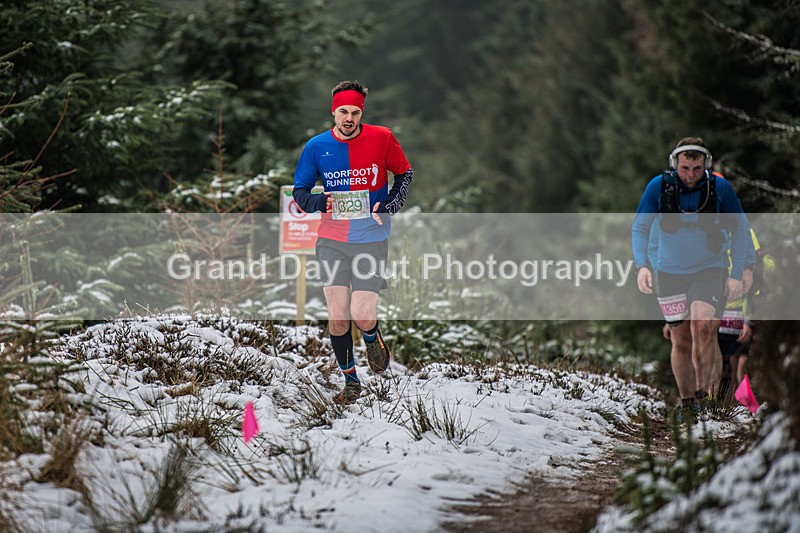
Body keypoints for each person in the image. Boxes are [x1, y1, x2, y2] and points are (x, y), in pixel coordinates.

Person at [292, 80, 414, 405]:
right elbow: (300, 191)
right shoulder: (316, 147)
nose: (349, 118)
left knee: (361, 314)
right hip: (331, 239)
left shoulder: (382, 138)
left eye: (355, 112)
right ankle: (351, 384)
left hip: (371, 237)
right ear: (334, 112)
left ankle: (372, 337)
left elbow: (404, 174)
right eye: (343, 111)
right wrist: (321, 202)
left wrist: (389, 204)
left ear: (362, 113)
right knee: (337, 316)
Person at [632, 137, 750, 419]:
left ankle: (706, 397)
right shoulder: (658, 187)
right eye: (686, 168)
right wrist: (642, 266)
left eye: (697, 168)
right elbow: (640, 228)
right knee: (681, 339)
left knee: (703, 327)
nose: (691, 175)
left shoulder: (718, 187)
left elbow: (742, 229)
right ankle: (687, 403)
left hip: (710, 269)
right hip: (669, 273)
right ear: (675, 165)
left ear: (705, 165)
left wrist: (737, 274)